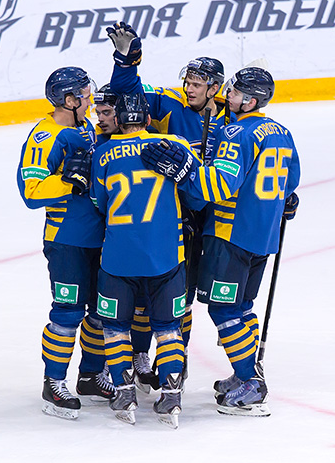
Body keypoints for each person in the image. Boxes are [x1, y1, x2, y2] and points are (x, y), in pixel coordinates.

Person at [141, 67, 301, 417]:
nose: (229, 95)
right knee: (242, 306)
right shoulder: (282, 131)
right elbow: (291, 183)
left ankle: (251, 382)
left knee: (223, 309)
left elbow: (219, 185)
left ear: (251, 101)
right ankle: (244, 373)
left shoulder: (235, 132)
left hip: (230, 234)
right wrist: (283, 201)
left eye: (236, 92)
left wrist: (184, 175)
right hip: (264, 235)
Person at [107, 22, 231, 388]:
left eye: (197, 85)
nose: (189, 89)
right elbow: (127, 94)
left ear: (214, 88)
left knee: (185, 297)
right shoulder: (170, 102)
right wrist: (126, 62)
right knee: (153, 292)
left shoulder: (232, 118)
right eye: (188, 82)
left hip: (211, 217)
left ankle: (177, 356)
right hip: (170, 214)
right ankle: (140, 353)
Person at [90, 93, 198, 429]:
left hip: (118, 257)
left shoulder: (103, 153)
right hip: (167, 255)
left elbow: (99, 201)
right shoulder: (175, 144)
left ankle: (124, 394)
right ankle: (171, 395)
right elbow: (195, 194)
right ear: (149, 120)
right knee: (168, 328)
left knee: (115, 327)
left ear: (118, 121)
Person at [17, 66, 113, 420]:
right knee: (68, 312)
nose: (91, 101)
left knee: (101, 311)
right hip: (67, 240)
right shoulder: (45, 137)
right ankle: (54, 382)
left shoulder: (86, 127)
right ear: (69, 100)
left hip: (100, 237)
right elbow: (30, 192)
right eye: (86, 96)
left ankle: (90, 377)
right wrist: (68, 182)